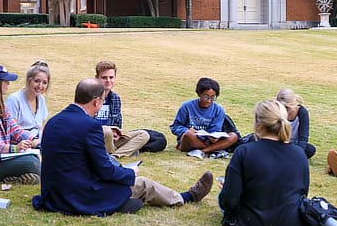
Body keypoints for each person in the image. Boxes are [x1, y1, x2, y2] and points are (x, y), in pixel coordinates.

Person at [32, 78, 213, 216]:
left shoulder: (53, 122)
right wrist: (129, 173)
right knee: (143, 184)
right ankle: (187, 196)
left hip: (53, 195)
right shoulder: (90, 126)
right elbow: (104, 171)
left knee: (119, 173)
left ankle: (125, 201)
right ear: (96, 101)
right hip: (78, 196)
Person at [218, 99, 337, 226]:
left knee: (222, 195)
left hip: (248, 223)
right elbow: (302, 196)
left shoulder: (244, 152)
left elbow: (229, 202)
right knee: (314, 209)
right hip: (290, 224)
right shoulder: (299, 153)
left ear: (259, 125)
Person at [94, 60, 164, 157]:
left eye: (111, 77)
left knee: (144, 135)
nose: (108, 81)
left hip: (111, 140)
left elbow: (117, 124)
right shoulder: (90, 97)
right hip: (95, 139)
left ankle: (114, 156)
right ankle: (117, 152)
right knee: (106, 130)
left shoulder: (115, 98)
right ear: (96, 78)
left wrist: (117, 132)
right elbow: (85, 125)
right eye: (104, 78)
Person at [171, 77, 238, 157]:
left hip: (207, 140)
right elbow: (175, 127)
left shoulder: (218, 109)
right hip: (191, 139)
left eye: (213, 98)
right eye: (206, 97)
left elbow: (215, 130)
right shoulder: (187, 106)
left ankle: (202, 151)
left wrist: (213, 137)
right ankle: (214, 150)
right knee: (188, 134)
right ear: (199, 94)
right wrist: (187, 130)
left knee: (233, 136)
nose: (209, 100)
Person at [5, 60, 50, 145]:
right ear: (28, 81)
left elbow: (41, 128)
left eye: (44, 83)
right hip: (20, 146)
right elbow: (11, 131)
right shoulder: (14, 100)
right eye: (37, 81)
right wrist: (33, 143)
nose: (40, 86)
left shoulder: (41, 100)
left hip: (37, 144)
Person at [276, 88, 316, 159]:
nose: (284, 110)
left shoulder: (302, 113)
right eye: (281, 107)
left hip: (294, 144)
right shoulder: (275, 111)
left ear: (293, 105)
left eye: (287, 108)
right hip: (278, 142)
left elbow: (303, 139)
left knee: (310, 149)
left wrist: (298, 154)